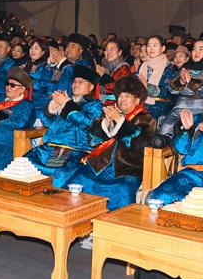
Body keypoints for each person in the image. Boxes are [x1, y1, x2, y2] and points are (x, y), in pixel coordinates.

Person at [65, 76, 156, 210]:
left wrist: (119, 120)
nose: (122, 99)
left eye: (127, 96)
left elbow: (138, 144)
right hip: (101, 164)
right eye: (120, 96)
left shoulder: (146, 119)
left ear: (137, 100)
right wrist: (106, 123)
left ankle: (113, 224)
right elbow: (93, 139)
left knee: (123, 188)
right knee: (80, 176)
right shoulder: (111, 112)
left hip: (128, 168)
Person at [25, 66, 103, 187]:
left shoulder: (94, 105)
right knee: (24, 164)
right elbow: (48, 123)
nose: (76, 84)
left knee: (58, 173)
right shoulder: (66, 100)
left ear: (91, 87)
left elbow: (86, 123)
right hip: (50, 148)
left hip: (74, 150)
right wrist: (53, 108)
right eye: (75, 81)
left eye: (81, 82)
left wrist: (66, 104)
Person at [135, 35, 177, 122]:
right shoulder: (143, 65)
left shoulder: (170, 68)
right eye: (149, 45)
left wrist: (147, 86)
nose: (151, 48)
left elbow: (168, 92)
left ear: (163, 48)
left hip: (161, 111)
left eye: (155, 45)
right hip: (141, 108)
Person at [95, 38, 132, 105]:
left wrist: (103, 76)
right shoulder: (103, 65)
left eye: (112, 49)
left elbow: (122, 88)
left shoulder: (123, 67)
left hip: (116, 104)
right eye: (106, 49)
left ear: (119, 52)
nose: (108, 52)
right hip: (101, 102)